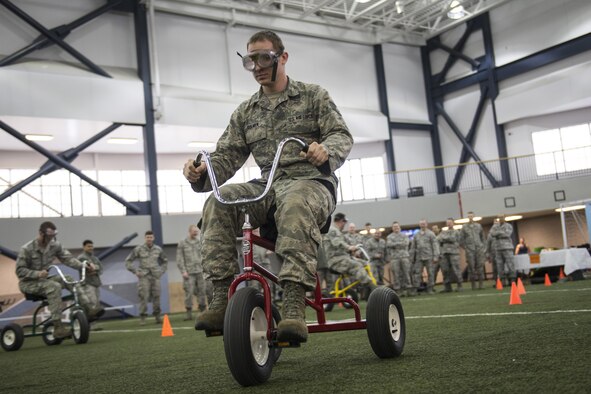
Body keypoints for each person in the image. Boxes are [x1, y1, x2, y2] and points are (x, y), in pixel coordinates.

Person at [182, 30, 353, 343]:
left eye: (264, 58)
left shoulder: (314, 95)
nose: (257, 66)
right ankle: (221, 298)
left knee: (297, 203)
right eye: (250, 61)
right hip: (268, 186)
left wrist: (325, 150)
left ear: (282, 58)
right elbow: (226, 157)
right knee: (219, 203)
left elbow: (341, 135)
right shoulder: (246, 112)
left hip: (311, 181)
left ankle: (292, 306)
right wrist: (202, 173)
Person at [15, 221, 101, 339]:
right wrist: (37, 273)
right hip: (28, 283)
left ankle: (89, 309)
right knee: (54, 286)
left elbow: (68, 259)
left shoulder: (55, 246)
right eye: (48, 236)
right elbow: (19, 271)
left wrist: (84, 266)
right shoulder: (27, 249)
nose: (51, 239)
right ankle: (58, 327)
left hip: (45, 280)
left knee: (69, 278)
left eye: (52, 236)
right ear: (40, 233)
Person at [323, 213, 376, 292]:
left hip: (343, 258)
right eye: (344, 222)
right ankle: (371, 286)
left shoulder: (338, 231)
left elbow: (342, 245)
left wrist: (352, 251)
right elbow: (337, 243)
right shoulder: (332, 230)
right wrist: (349, 247)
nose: (345, 224)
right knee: (356, 265)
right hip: (335, 260)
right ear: (341, 221)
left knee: (365, 263)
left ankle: (368, 287)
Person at [125, 230, 168, 325]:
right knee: (143, 296)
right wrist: (135, 271)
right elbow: (128, 261)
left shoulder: (158, 249)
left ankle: (157, 316)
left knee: (157, 296)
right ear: (145, 238)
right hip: (143, 276)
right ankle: (143, 317)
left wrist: (161, 271)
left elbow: (165, 261)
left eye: (151, 237)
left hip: (155, 275)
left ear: (153, 238)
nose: (149, 239)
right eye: (147, 237)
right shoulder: (139, 249)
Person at [176, 224, 210, 321]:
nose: (196, 233)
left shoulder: (200, 242)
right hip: (189, 272)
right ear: (189, 231)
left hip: (200, 271)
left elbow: (205, 255)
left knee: (202, 292)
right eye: (194, 231)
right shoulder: (182, 243)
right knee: (189, 292)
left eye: (197, 232)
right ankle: (189, 313)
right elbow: (179, 258)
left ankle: (202, 311)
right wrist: (183, 271)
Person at [77, 239, 105, 324]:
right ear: (84, 247)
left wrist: (95, 269)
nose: (91, 248)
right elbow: (88, 268)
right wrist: (94, 268)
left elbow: (101, 268)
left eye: (92, 246)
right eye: (88, 246)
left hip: (96, 283)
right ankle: (91, 324)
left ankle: (94, 323)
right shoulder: (81, 257)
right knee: (91, 304)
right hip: (88, 283)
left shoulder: (94, 258)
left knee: (97, 304)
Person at [409, 219, 439, 295]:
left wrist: (436, 256)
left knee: (431, 273)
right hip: (419, 258)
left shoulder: (431, 234)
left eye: (424, 224)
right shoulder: (416, 234)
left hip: (429, 257)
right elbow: (413, 247)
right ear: (419, 225)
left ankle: (430, 289)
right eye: (421, 224)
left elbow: (435, 246)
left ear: (426, 224)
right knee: (417, 273)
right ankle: (415, 289)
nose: (422, 225)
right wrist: (412, 258)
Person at [460, 211, 486, 290]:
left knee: (480, 267)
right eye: (469, 216)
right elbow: (461, 240)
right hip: (470, 250)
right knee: (471, 268)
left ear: (473, 216)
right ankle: (473, 285)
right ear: (467, 217)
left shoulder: (478, 226)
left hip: (479, 249)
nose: (470, 217)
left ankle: (481, 284)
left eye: (471, 216)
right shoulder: (464, 227)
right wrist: (466, 248)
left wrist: (483, 247)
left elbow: (483, 238)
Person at [385, 221, 412, 296]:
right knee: (396, 275)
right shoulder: (389, 237)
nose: (396, 228)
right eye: (394, 227)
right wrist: (399, 243)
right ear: (392, 228)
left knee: (406, 273)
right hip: (394, 258)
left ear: (399, 227)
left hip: (404, 257)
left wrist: (395, 244)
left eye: (397, 226)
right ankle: (398, 291)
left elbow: (406, 243)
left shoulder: (404, 235)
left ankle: (409, 289)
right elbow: (389, 244)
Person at [436, 219, 463, 292]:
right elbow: (437, 239)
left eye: (450, 223)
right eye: (447, 223)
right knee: (445, 270)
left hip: (454, 253)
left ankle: (459, 285)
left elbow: (452, 238)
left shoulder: (457, 232)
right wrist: (446, 239)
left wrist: (444, 239)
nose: (449, 224)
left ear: (453, 223)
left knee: (456, 269)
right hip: (444, 253)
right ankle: (447, 287)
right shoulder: (443, 232)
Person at [490, 215, 516, 286]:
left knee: (510, 264)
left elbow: (507, 234)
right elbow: (492, 233)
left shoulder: (508, 226)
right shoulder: (495, 226)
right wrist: (501, 232)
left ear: (504, 218)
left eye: (502, 217)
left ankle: (512, 280)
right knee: (499, 265)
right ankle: (502, 281)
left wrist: (497, 233)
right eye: (500, 217)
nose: (501, 218)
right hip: (498, 248)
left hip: (507, 247)